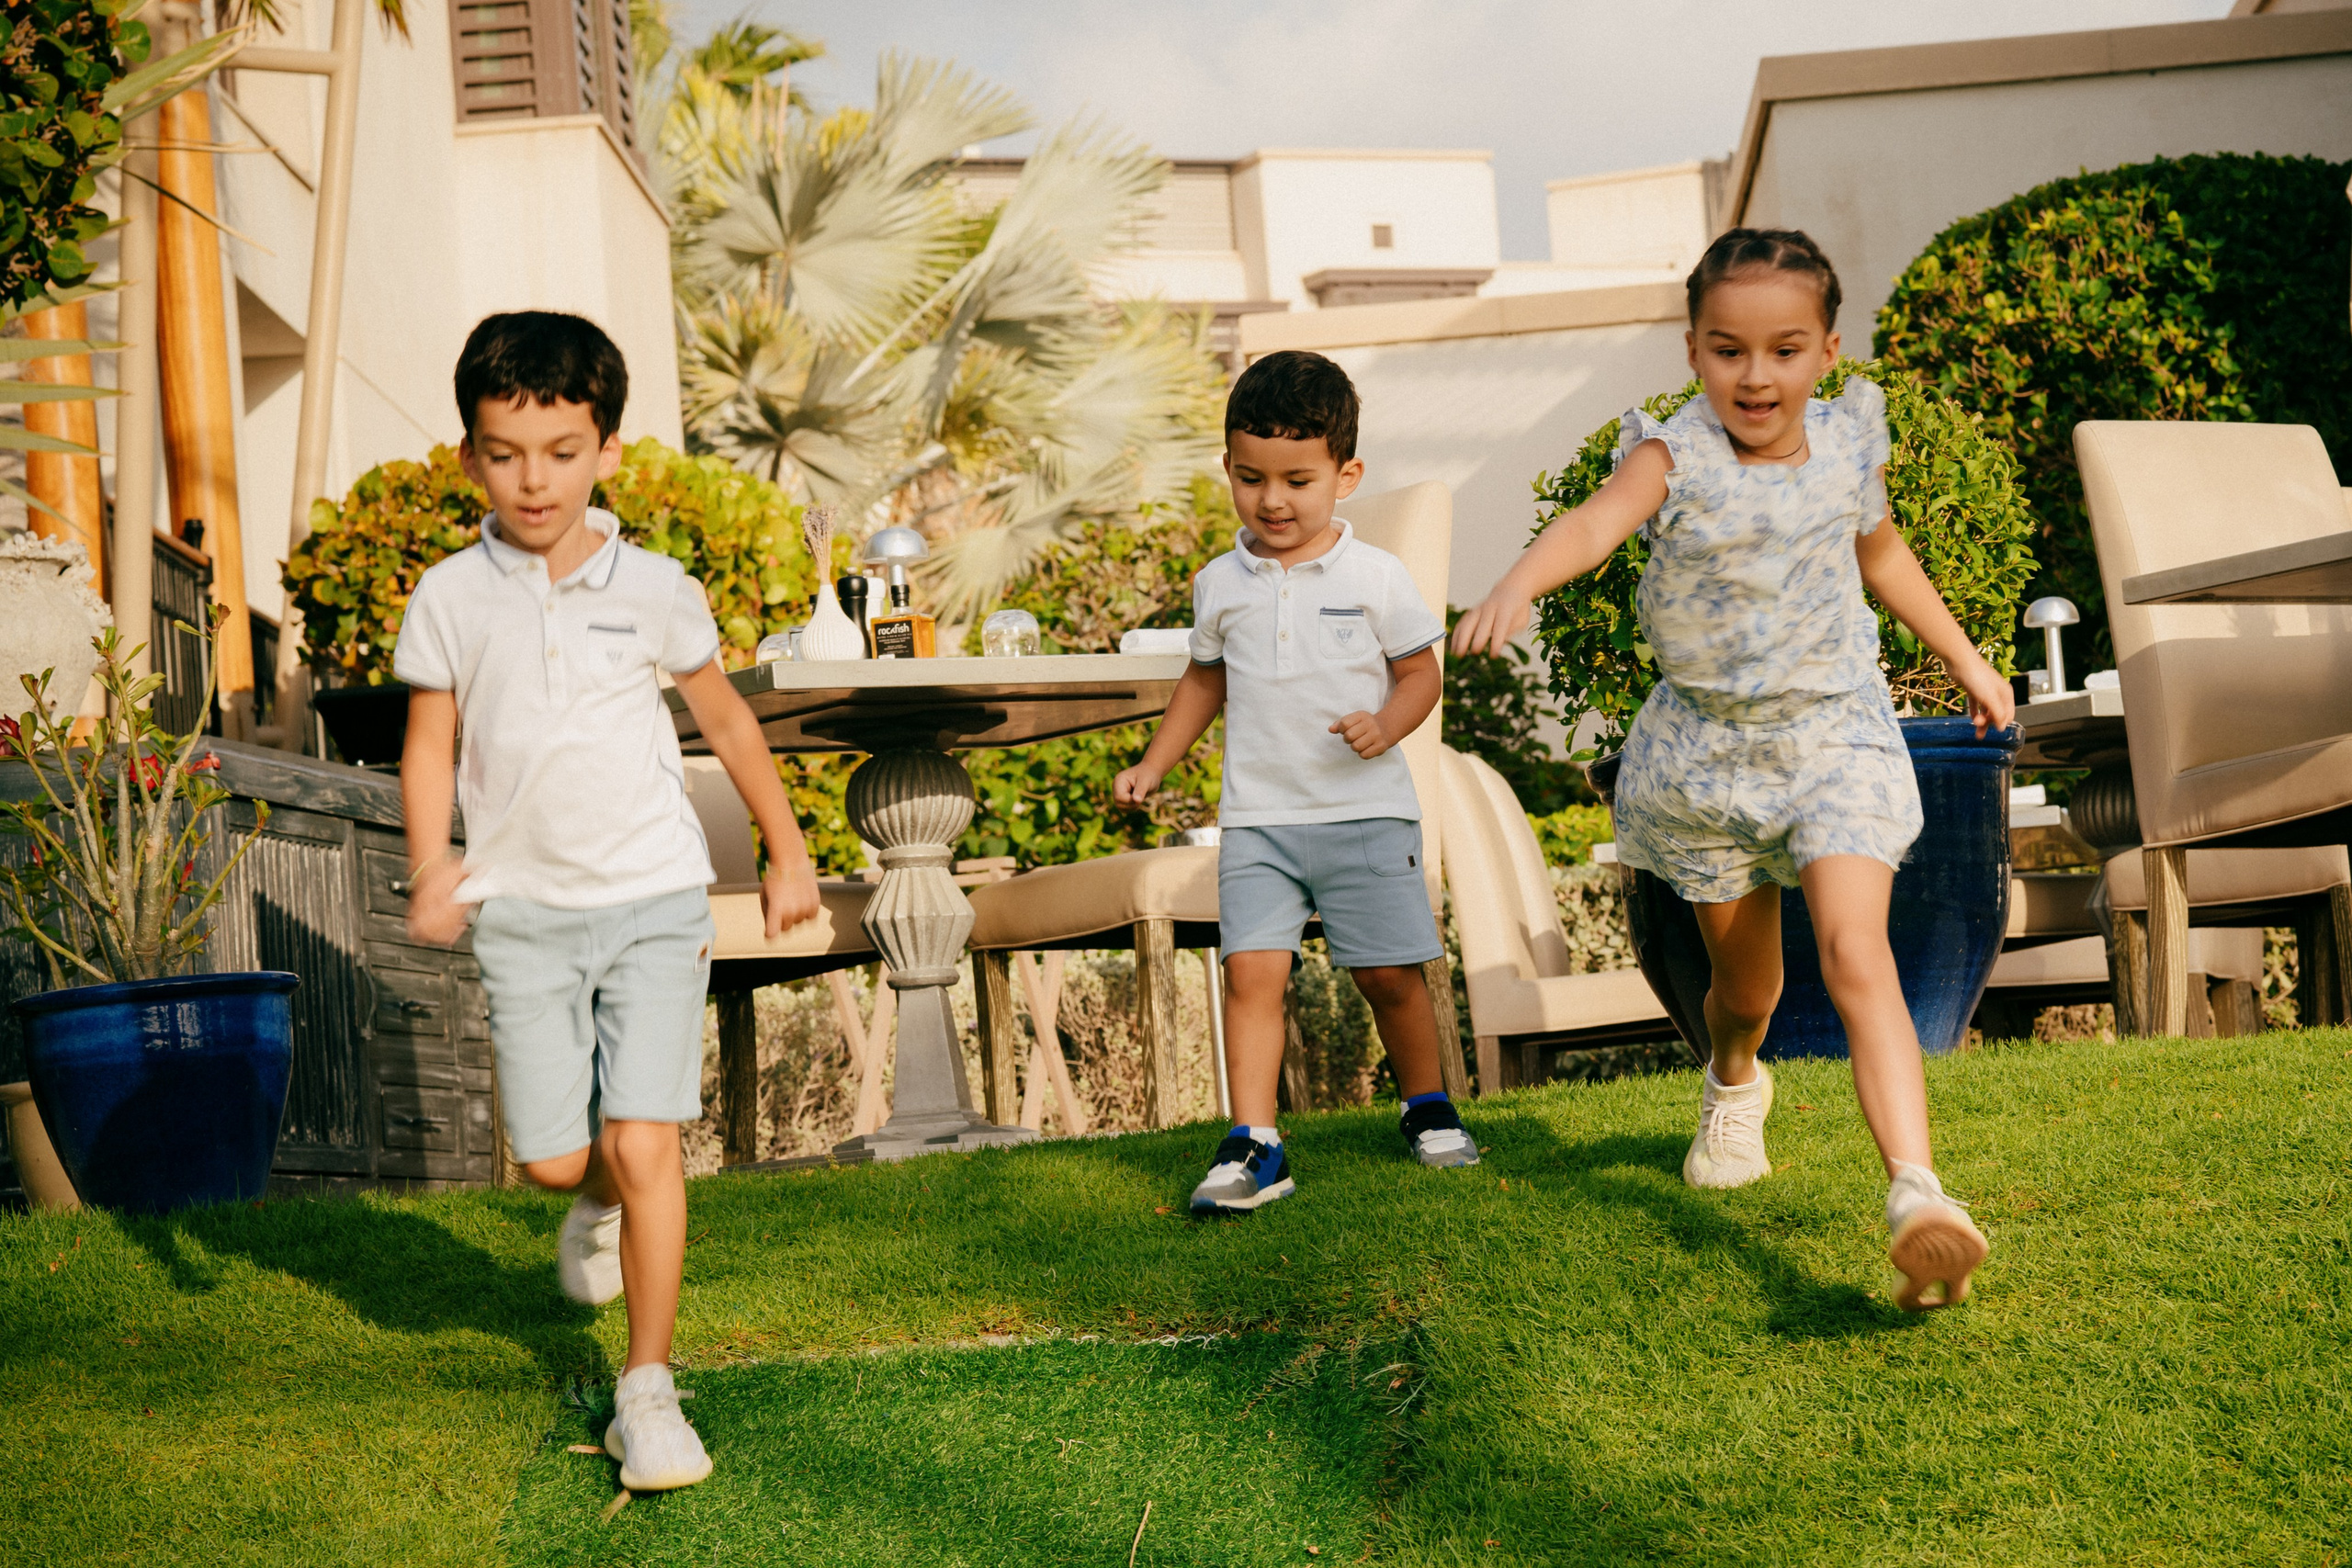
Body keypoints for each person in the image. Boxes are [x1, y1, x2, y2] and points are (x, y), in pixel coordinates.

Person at [1453, 230, 2011, 1311]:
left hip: (1833, 736)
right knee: (1745, 993)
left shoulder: (1851, 442)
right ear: (1693, 351)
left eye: (1784, 350)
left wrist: (1967, 659)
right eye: (1727, 351)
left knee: (1859, 954)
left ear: (1827, 351)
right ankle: (1731, 1079)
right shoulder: (1675, 454)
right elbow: (1596, 522)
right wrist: (1519, 582)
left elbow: (1880, 552)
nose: (1756, 376)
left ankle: (1916, 1193)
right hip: (1708, 756)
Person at [396, 311, 821, 1487]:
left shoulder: (658, 587)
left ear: (608, 452)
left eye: (562, 450)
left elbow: (727, 722)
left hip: (652, 896)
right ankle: (585, 1202)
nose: (535, 479)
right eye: (505, 452)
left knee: (648, 1142)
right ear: (471, 456)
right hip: (522, 909)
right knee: (552, 1158)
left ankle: (649, 1391)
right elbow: (430, 742)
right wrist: (435, 859)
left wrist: (784, 855)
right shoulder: (448, 595)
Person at [1114, 349, 1476, 1217]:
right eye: (1251, 478)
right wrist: (1155, 763)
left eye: (1297, 479)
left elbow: (1421, 673)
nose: (1273, 500)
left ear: (1345, 476)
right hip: (1258, 822)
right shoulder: (1219, 583)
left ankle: (1427, 1109)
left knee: (1389, 975)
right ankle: (1256, 1143)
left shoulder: (1376, 576)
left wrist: (1387, 725)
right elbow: (1206, 681)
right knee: (1251, 974)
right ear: (1229, 470)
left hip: (1363, 813)